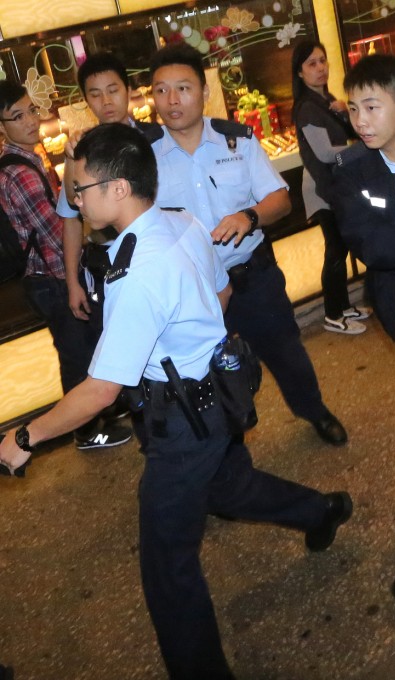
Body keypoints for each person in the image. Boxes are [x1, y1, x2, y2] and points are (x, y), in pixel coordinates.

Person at [0, 123, 355, 679]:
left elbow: (101, 390)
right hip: (217, 395)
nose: (75, 198)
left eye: (81, 187)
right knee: (232, 485)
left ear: (118, 188)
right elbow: (221, 290)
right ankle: (322, 510)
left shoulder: (136, 271)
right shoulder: (181, 223)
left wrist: (25, 438)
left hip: (183, 422)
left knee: (168, 569)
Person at [146, 44, 349, 445]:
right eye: (161, 90)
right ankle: (229, 447)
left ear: (204, 91)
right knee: (208, 374)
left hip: (252, 278)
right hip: (195, 293)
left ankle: (315, 411)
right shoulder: (144, 160)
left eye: (184, 88)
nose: (172, 100)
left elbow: (280, 199)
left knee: (286, 353)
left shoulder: (236, 142)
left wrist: (249, 217)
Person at [327, 53, 395, 603]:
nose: (361, 120)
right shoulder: (351, 170)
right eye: (352, 109)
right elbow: (372, 247)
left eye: (372, 106)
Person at [0, 80, 131, 451]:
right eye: (17, 116)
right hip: (51, 279)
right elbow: (57, 231)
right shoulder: (19, 172)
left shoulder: (30, 157)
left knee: (87, 344)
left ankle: (98, 411)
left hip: (56, 275)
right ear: (1, 126)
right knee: (76, 354)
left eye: (31, 110)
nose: (30, 121)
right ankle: (86, 432)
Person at [60, 52, 160, 330]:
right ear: (85, 100)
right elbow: (71, 213)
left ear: (128, 90)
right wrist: (72, 283)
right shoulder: (84, 150)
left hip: (158, 255)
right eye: (95, 94)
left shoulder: (156, 138)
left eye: (113, 90)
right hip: (110, 266)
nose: (106, 102)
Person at [291, 38, 371, 335]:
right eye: (312, 63)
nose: (320, 68)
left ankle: (343, 306)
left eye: (322, 61)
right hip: (321, 189)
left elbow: (347, 133)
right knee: (335, 251)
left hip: (335, 185)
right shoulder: (307, 108)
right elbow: (325, 154)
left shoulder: (326, 101)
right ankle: (333, 314)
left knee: (340, 247)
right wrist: (363, 147)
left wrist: (343, 111)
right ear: (299, 72)